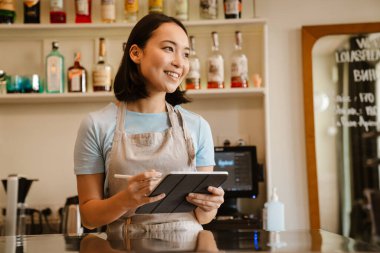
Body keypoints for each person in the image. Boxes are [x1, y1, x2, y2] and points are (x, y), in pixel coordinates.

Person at [74, 13, 224, 234]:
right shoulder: (97, 124)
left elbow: (203, 217)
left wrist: (210, 205)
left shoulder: (198, 126)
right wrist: (126, 200)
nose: (179, 62)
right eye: (168, 49)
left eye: (185, 54)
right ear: (136, 53)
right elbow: (89, 218)